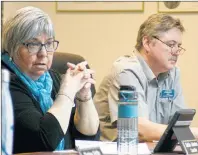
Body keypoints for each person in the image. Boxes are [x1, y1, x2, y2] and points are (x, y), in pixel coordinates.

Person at [1, 6, 100, 154]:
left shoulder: (53, 78)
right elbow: (44, 140)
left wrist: (83, 98)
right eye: (33, 44)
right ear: (12, 47)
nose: (43, 53)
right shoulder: (6, 83)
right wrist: (66, 93)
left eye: (48, 44)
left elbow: (88, 138)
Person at [94, 13, 198, 142]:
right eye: (171, 45)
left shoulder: (173, 73)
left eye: (178, 46)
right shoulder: (126, 71)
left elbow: (180, 125)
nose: (176, 51)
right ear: (147, 42)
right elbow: (138, 130)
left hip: (152, 148)